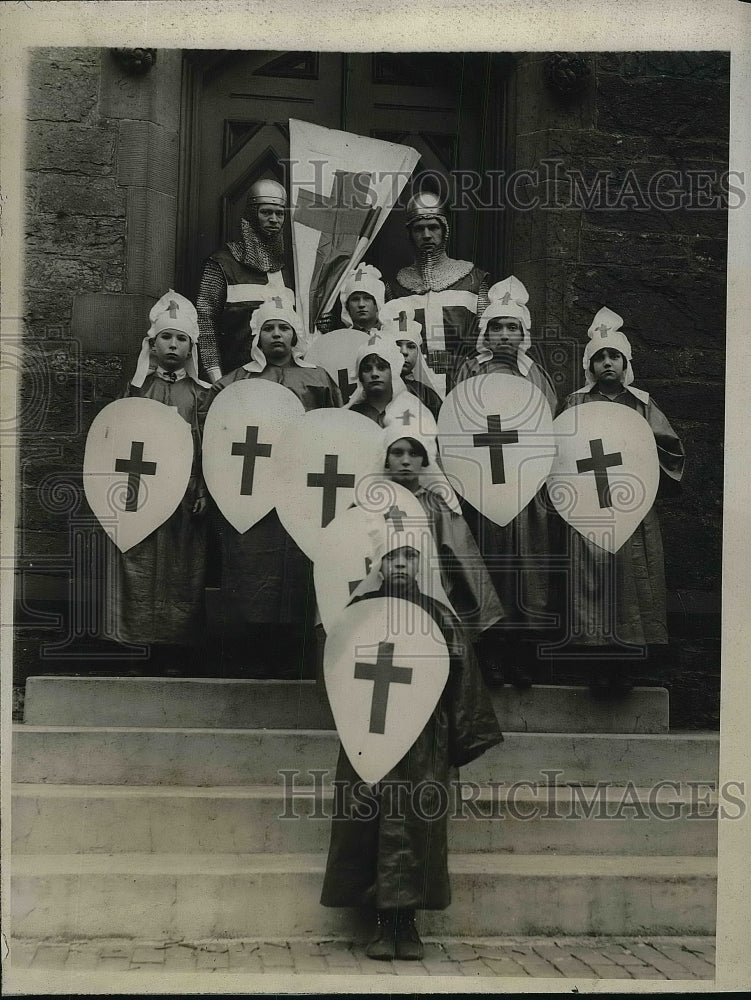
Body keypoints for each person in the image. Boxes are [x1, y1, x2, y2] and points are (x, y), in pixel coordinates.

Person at [320, 537, 503, 961]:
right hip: (371, 733)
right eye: (391, 556)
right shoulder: (357, 612)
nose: (400, 564)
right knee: (370, 823)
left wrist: (462, 740)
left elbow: (462, 672)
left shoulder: (437, 614)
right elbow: (334, 665)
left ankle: (409, 924)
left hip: (425, 736)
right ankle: (382, 924)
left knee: (417, 826)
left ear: (421, 565)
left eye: (409, 556)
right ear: (378, 564)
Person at [209, 297, 343, 677]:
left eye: (284, 328)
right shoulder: (236, 383)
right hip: (252, 490)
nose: (277, 334)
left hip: (301, 492)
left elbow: (333, 430)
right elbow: (217, 429)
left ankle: (293, 655)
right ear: (258, 336)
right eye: (269, 328)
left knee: (297, 568)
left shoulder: (317, 379)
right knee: (250, 566)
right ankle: (248, 653)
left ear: (296, 335)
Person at [558, 306, 685, 696]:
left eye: (614, 356)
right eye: (600, 357)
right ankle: (595, 665)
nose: (607, 362)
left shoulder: (642, 404)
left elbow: (669, 448)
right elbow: (558, 450)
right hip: (587, 506)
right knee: (592, 582)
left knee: (631, 582)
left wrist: (644, 456)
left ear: (626, 362)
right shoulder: (574, 404)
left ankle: (625, 667)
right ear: (590, 364)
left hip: (630, 507)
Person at [455, 276, 558, 688]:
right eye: (496, 326)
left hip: (524, 487)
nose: (503, 334)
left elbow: (549, 426)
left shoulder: (535, 375)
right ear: (485, 332)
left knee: (526, 569)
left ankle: (522, 656)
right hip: (483, 487)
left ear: (523, 333)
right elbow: (458, 421)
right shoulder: (469, 370)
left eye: (511, 327)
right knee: (487, 566)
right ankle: (489, 655)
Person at [109, 291, 211, 667]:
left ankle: (176, 648)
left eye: (181, 338)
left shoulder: (199, 396)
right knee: (140, 560)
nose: (173, 344)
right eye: (166, 337)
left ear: (191, 347)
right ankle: (135, 645)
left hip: (184, 496)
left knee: (181, 566)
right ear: (152, 344)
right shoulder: (138, 389)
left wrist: (202, 490)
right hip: (142, 491)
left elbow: (206, 447)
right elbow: (117, 436)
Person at [379, 423, 505, 645]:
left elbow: (463, 559)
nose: (406, 461)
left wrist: (484, 612)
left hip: (430, 602)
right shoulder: (371, 504)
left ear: (425, 461)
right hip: (380, 602)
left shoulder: (436, 506)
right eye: (398, 453)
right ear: (386, 458)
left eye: (414, 453)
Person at [390, 189, 490, 392]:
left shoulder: (473, 280)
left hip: (464, 382)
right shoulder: (396, 287)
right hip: (413, 387)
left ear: (444, 231)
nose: (426, 235)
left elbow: (488, 341)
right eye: (419, 229)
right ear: (410, 234)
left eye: (433, 227)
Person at [196, 178, 294, 382]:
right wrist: (217, 382)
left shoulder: (289, 272)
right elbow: (205, 324)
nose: (274, 219)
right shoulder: (222, 264)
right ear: (252, 214)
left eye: (279, 213)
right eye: (266, 212)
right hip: (236, 380)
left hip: (285, 383)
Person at [346, 337, 436, 434]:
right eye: (367, 369)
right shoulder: (352, 415)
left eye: (381, 368)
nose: (374, 374)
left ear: (393, 372)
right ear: (360, 376)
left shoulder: (413, 409)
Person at [379, 303, 443, 421]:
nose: (404, 352)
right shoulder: (376, 388)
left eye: (411, 346)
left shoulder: (426, 394)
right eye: (397, 345)